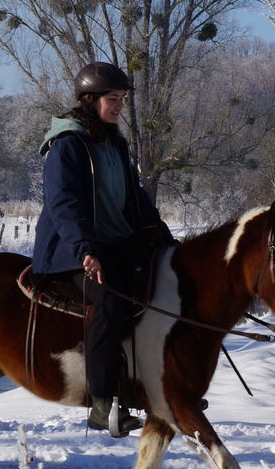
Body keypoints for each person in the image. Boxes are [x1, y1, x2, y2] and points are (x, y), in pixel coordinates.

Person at [31, 62, 175, 437]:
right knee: (110, 301)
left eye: (122, 100)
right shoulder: (67, 143)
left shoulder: (114, 142)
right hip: (72, 252)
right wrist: (85, 250)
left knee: (160, 288)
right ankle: (101, 404)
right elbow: (64, 204)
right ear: (90, 100)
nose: (119, 107)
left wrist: (164, 237)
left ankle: (153, 386)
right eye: (114, 99)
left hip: (117, 245)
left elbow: (136, 197)